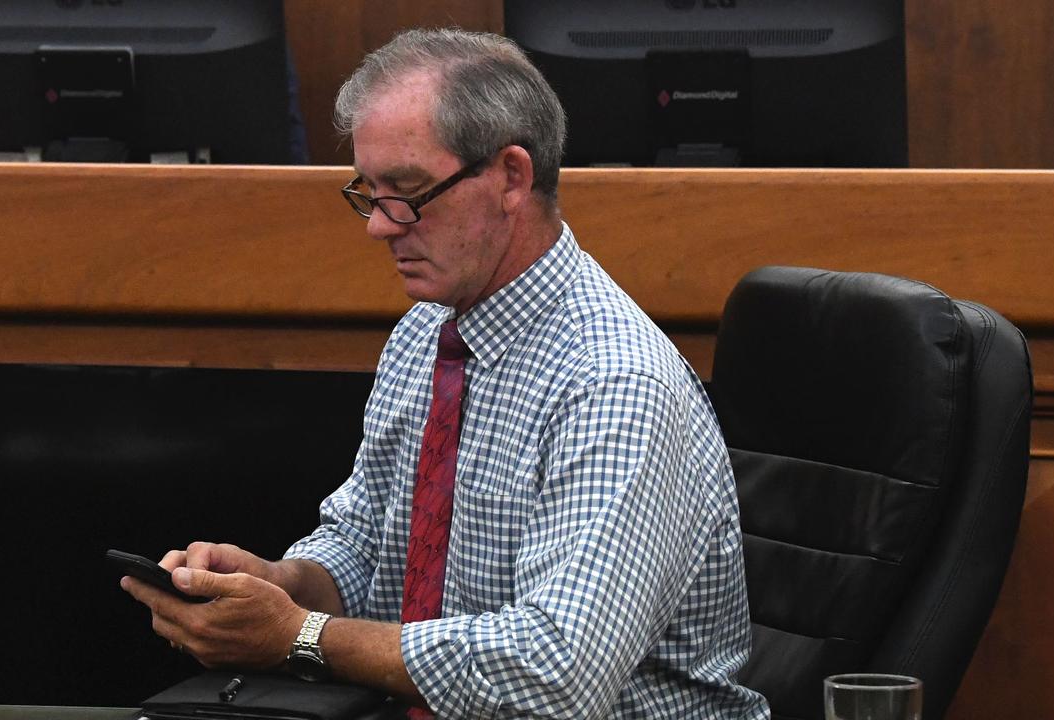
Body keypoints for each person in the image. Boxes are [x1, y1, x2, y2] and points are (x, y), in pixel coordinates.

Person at [122, 28, 769, 719]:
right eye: (368, 192)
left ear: (511, 178)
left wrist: (297, 637)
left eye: (407, 192)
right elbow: (368, 543)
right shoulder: (427, 331)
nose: (379, 226)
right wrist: (285, 585)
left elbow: (555, 676)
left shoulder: (613, 384)